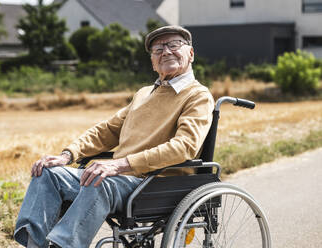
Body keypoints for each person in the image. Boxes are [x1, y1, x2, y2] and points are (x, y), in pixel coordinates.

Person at [14, 25, 214, 248]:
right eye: (158, 49)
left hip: (156, 183)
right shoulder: (143, 94)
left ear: (191, 53)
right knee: (48, 173)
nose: (166, 51)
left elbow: (185, 147)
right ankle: (33, 244)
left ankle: (63, 245)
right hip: (121, 180)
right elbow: (107, 131)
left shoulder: (198, 96)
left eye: (174, 45)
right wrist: (67, 155)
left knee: (101, 180)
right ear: (152, 61)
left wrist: (119, 165)